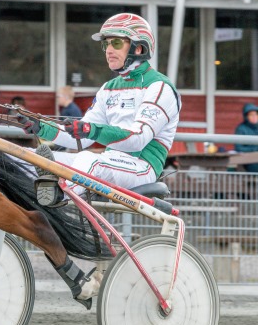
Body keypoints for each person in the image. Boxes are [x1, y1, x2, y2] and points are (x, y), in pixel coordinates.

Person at [20, 13, 181, 202]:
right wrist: (41, 127)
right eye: (106, 44)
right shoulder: (108, 88)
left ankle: (56, 197)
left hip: (142, 167)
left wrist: (91, 130)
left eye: (117, 43)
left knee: (89, 160)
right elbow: (81, 139)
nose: (108, 50)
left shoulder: (160, 87)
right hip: (109, 163)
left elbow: (137, 139)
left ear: (139, 48)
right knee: (25, 156)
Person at [234, 103, 258, 173]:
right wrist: (255, 149)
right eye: (251, 115)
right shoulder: (241, 129)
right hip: (248, 159)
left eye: (256, 114)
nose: (254, 117)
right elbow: (239, 148)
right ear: (246, 117)